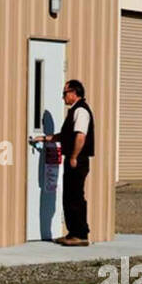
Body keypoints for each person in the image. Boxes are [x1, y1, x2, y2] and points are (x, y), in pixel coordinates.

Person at [47, 79, 95, 246]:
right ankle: (72, 232)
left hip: (78, 160)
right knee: (69, 196)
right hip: (74, 158)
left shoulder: (81, 111)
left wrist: (74, 156)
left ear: (74, 93)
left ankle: (80, 234)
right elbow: (67, 135)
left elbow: (80, 136)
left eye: (65, 93)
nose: (63, 97)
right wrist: (48, 138)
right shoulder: (74, 111)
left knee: (75, 196)